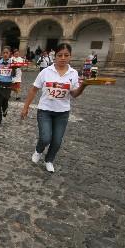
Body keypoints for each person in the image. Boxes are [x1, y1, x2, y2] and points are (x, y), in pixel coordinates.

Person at [20, 43, 87, 173]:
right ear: (54, 56)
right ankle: (38, 150)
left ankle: (49, 160)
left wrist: (83, 86)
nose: (63, 58)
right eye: (59, 55)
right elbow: (34, 90)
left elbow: (74, 94)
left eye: (66, 55)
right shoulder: (46, 72)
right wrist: (25, 107)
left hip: (62, 113)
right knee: (45, 138)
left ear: (70, 57)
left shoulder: (73, 73)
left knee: (56, 141)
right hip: (45, 110)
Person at [0, 46, 15, 126]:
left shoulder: (13, 63)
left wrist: (14, 69)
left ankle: (5, 109)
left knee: (5, 100)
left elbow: (14, 75)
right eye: (4, 53)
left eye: (7, 53)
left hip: (8, 85)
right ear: (2, 53)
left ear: (9, 54)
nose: (5, 54)